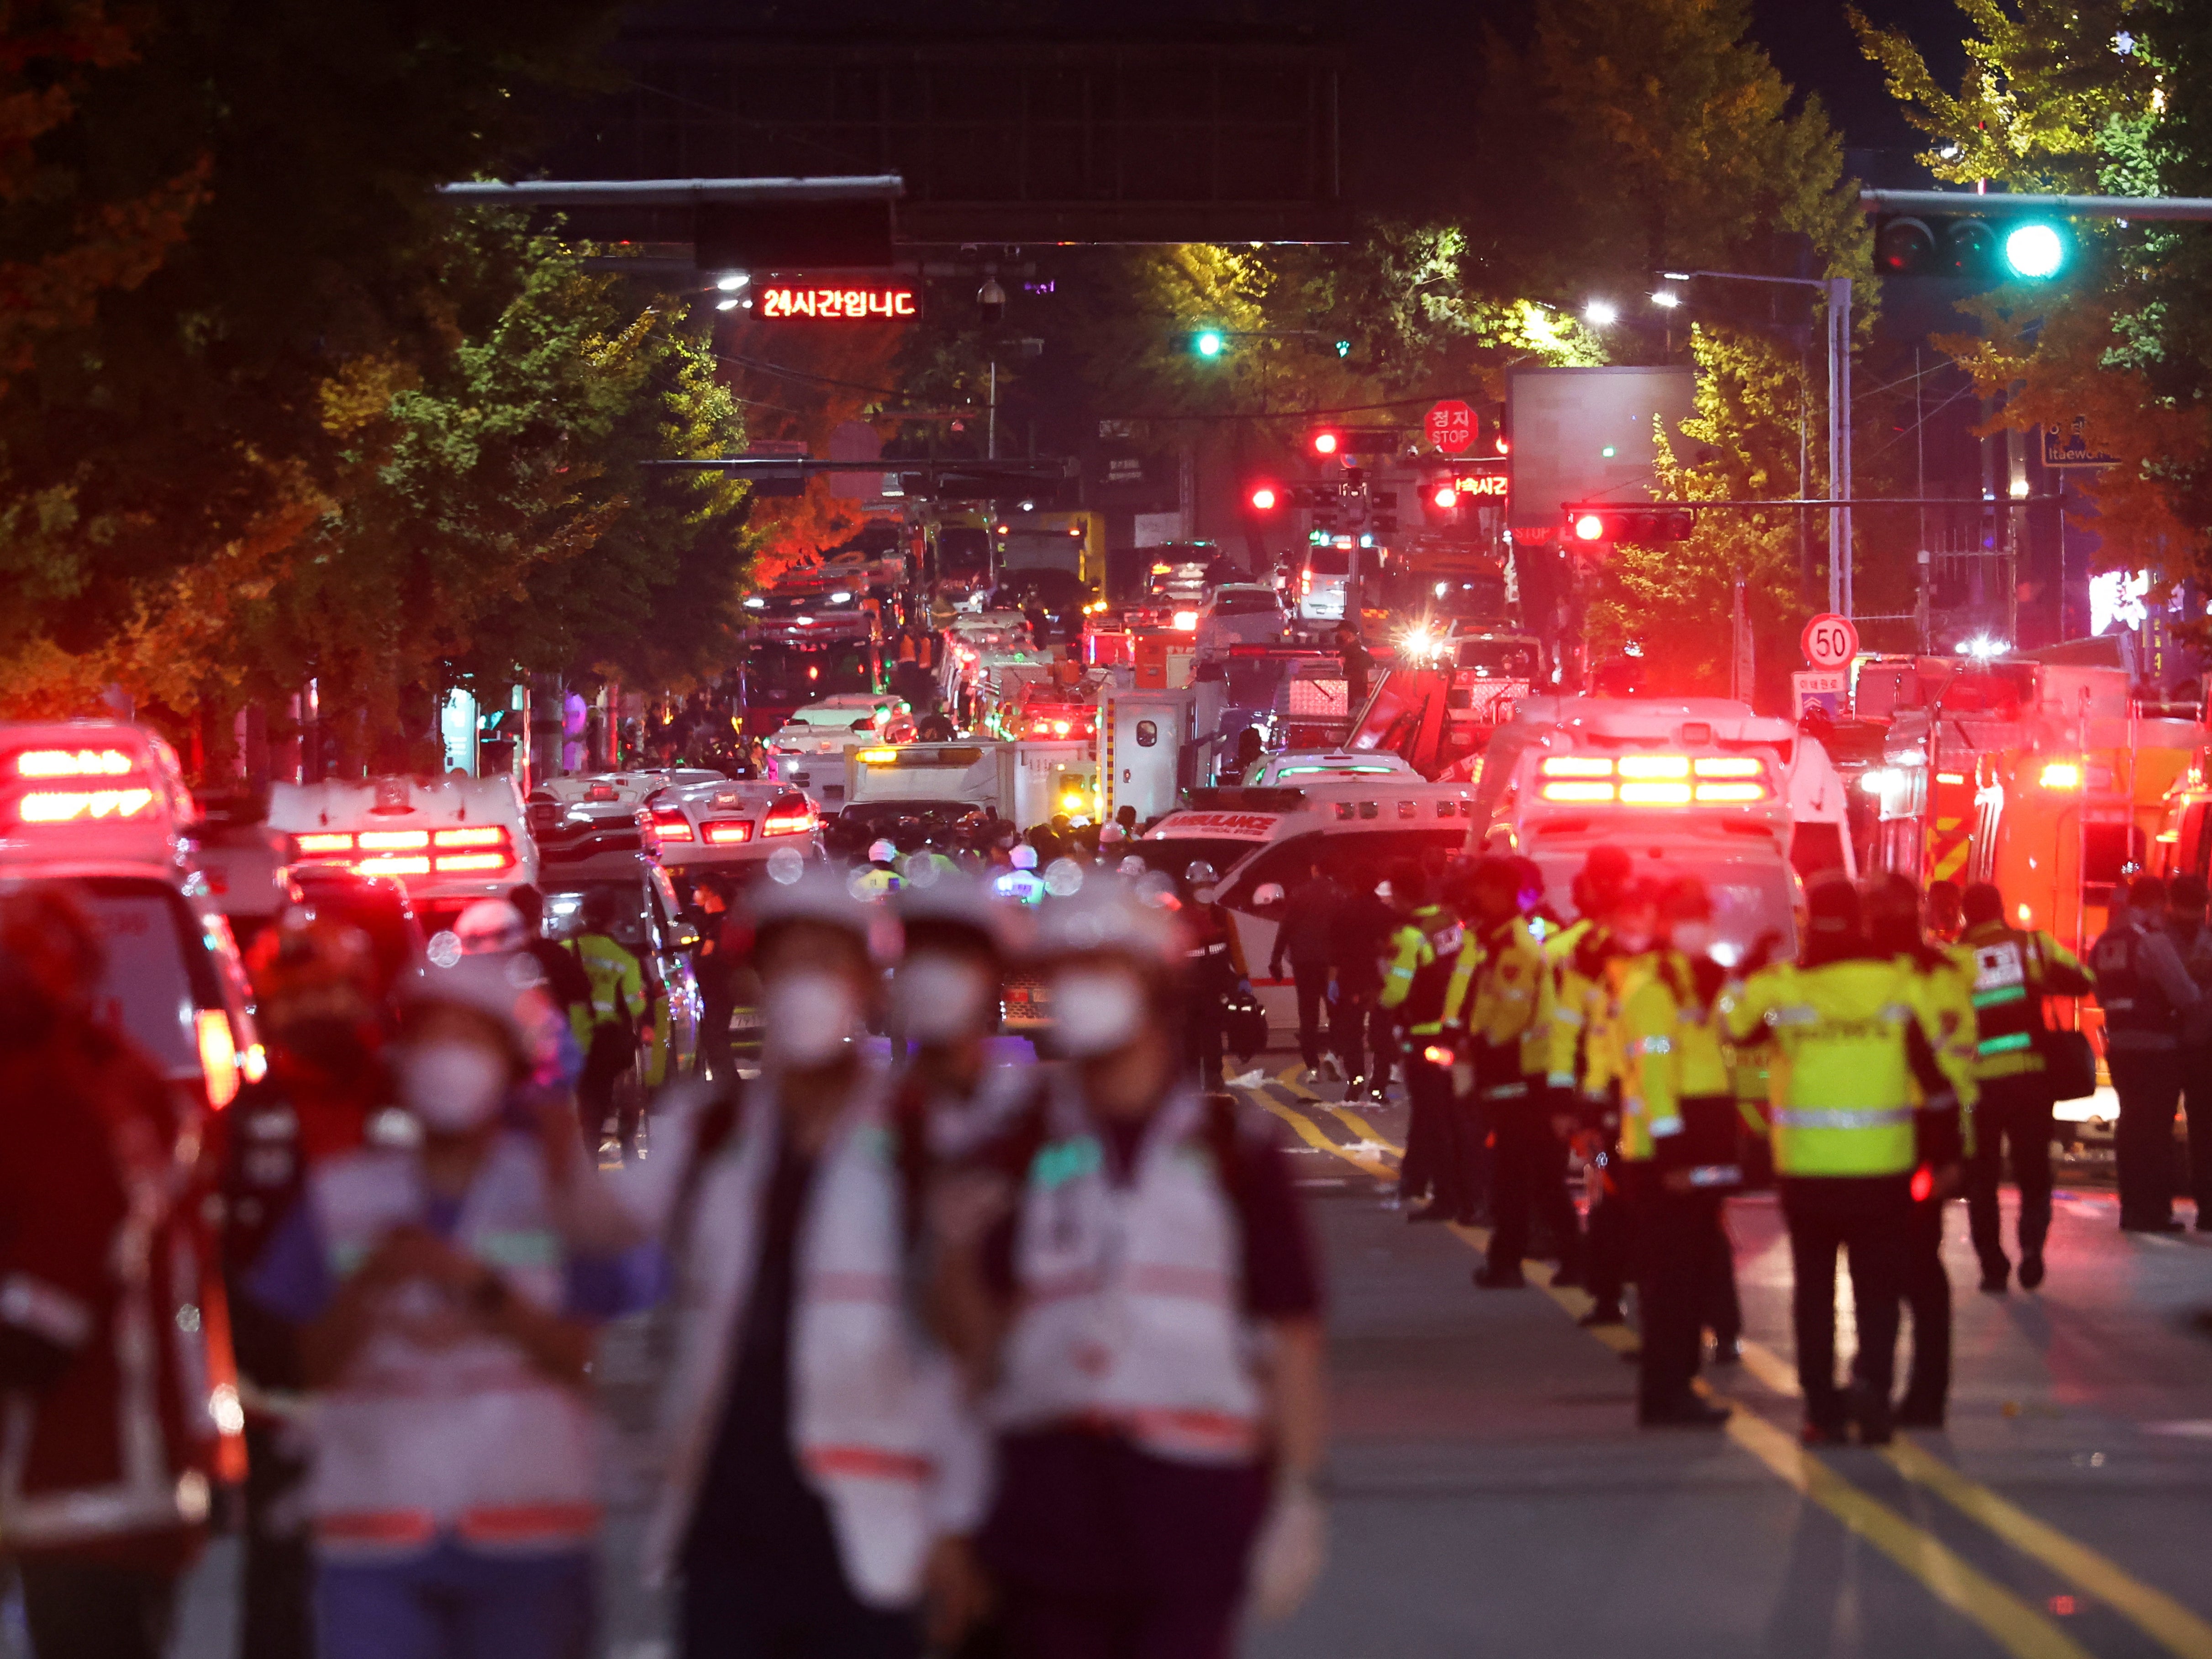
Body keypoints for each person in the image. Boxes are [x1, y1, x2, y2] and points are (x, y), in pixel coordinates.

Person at [934, 884, 1328, 1659]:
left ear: (1151, 981)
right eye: (1065, 970)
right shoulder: (1011, 1146)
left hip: (1194, 1495)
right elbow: (971, 1345)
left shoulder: (1235, 1150)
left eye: (1100, 967)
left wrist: (1296, 1493)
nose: (1076, 990)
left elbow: (1290, 1330)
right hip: (1049, 1501)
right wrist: (949, 1253)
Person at [243, 953, 647, 1659]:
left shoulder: (553, 1197)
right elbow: (307, 1368)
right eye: (433, 1040)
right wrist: (374, 1280)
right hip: (376, 1541)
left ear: (507, 1064)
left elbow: (583, 1357)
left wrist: (478, 1286)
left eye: (470, 1039)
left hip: (528, 1535)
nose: (447, 1062)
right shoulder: (343, 1197)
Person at [631, 864, 988, 1659]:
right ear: (758, 981)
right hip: (726, 1516)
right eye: (789, 963)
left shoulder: (918, 1135)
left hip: (869, 1528)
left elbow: (961, 1355)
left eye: (827, 962)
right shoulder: (710, 1129)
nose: (806, 985)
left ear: (867, 980)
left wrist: (957, 1522)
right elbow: (599, 1233)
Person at [0, 889, 217, 1659]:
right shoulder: (124, 1084)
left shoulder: (53, 1104)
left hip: (74, 1482)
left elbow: (38, 1320)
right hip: (127, 1477)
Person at [1721, 877, 1960, 1445]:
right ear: (1858, 922)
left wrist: (1744, 972)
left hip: (1807, 1172)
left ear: (1808, 924)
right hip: (1882, 1168)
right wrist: (1947, 1153)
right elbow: (1935, 1079)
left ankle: (1819, 1410)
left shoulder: (1784, 986)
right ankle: (1872, 1387)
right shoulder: (1897, 984)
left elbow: (1731, 1026)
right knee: (1877, 1288)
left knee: (1813, 1292)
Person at [225, 915, 395, 1659]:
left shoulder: (411, 1098)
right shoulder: (243, 1123)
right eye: (289, 1000)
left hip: (407, 1390)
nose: (307, 1015)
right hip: (286, 1400)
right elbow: (230, 1264)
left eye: (323, 994)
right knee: (281, 1585)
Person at [1609, 878, 1736, 1427]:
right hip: (1666, 1158)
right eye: (1688, 916)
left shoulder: (1688, 981)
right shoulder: (1654, 989)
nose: (1699, 926)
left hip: (1696, 1150)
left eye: (1704, 914)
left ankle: (1680, 1384)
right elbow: (1655, 1079)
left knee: (1691, 1274)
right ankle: (1665, 1395)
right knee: (1671, 1283)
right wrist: (1674, 1158)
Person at [1863, 874, 1976, 1429]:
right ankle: (1925, 1391)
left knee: (1889, 1272)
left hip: (1891, 1138)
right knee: (1920, 1269)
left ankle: (1884, 1385)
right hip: (1937, 1135)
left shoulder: (1881, 975)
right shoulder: (1947, 972)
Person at [1956, 880, 2096, 1288]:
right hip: (2030, 1080)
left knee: (1982, 1178)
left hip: (1979, 1087)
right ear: (2000, 909)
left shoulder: (1955, 961)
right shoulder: (2032, 946)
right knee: (2033, 1172)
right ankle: (2032, 1248)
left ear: (1966, 915)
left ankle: (1993, 1266)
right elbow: (2083, 979)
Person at [1468, 858, 1581, 1288]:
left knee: (1526, 1174)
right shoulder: (1497, 941)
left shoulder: (1515, 946)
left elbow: (1511, 1013)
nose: (1478, 896)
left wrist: (1477, 1043)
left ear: (1501, 890)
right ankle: (1517, 1260)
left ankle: (1525, 1260)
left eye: (1484, 887)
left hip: (1522, 1074)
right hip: (1517, 1073)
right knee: (1521, 1173)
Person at [892, 870, 1037, 1156]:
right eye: (920, 952)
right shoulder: (868, 1111)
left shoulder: (1038, 1108)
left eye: (955, 953)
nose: (933, 972)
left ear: (994, 973)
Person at [1550, 848, 1635, 1326]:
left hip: (1637, 1110)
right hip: (1606, 1109)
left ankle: (1625, 1296)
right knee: (1602, 1191)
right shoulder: (1583, 953)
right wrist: (1566, 1098)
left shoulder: (1664, 957)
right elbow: (1567, 1029)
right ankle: (1607, 1296)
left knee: (1622, 1199)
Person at [2088, 873, 2201, 1232]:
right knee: (2155, 1134)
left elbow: (2100, 993)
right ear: (2156, 903)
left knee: (2131, 1128)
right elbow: (2186, 995)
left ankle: (2132, 1207)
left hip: (2121, 1048)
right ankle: (2154, 1211)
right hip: (2158, 1048)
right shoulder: (2151, 942)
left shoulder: (2105, 942)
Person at [1379, 860, 1478, 1222]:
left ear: (1402, 896)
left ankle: (1446, 1195)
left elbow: (1396, 990)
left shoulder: (1408, 934)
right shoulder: (1451, 922)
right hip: (1455, 1032)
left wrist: (1381, 999)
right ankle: (1423, 1182)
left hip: (1421, 1035)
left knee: (1434, 1118)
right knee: (1447, 1116)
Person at [568, 888, 648, 1153]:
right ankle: (604, 1153)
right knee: (601, 1104)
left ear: (582, 916)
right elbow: (635, 1005)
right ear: (612, 920)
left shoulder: (565, 951)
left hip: (566, 1042)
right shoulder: (625, 959)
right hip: (602, 1046)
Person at [2164, 872, 2212, 1229]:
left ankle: (2207, 1206)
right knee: (2190, 1129)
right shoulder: (2158, 940)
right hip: (2172, 1042)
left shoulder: (2157, 938)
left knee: (2201, 1129)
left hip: (2197, 1044)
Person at [1268, 860, 1343, 1078]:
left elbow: (1286, 926)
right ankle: (1333, 1056)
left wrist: (1276, 959)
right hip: (1331, 965)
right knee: (1336, 1013)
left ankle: (1312, 1066)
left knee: (1308, 1015)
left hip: (1304, 962)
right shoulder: (1340, 895)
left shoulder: (1300, 893)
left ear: (1314, 869)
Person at [1180, 860, 1250, 1091]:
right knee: (1189, 1036)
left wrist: (1242, 977)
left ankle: (1213, 1076)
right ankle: (1190, 1080)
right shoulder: (1180, 917)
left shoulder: (1223, 916)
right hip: (1188, 987)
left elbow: (1235, 948)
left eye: (1208, 884)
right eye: (1200, 885)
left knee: (1212, 1035)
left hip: (1215, 985)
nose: (1204, 889)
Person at [689, 877, 745, 1086]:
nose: (697, 895)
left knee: (715, 1037)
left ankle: (729, 1084)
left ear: (714, 894)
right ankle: (727, 1083)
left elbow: (706, 957)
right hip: (717, 989)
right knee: (713, 1037)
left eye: (701, 890)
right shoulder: (717, 922)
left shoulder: (720, 924)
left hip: (718, 990)